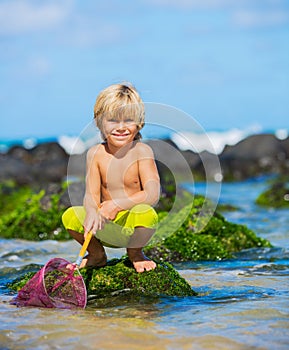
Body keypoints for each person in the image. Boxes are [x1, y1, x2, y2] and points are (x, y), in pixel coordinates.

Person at [62, 83, 160, 273]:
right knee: (71, 215)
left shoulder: (142, 151)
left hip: (132, 227)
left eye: (129, 120)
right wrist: (91, 211)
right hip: (104, 227)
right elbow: (91, 195)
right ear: (99, 122)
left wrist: (118, 204)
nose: (121, 127)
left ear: (139, 123)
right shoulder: (95, 154)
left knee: (147, 213)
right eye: (113, 120)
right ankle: (97, 255)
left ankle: (136, 254)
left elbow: (153, 194)